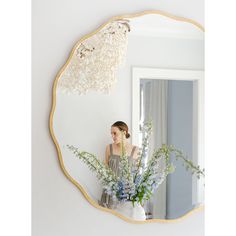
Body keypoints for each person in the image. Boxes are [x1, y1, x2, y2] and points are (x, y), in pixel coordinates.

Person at [99, 121, 139, 209]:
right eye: (111, 134)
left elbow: (137, 175)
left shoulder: (135, 150)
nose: (112, 136)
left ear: (123, 132)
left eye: (115, 133)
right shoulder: (109, 148)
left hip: (126, 193)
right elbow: (105, 170)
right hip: (110, 192)